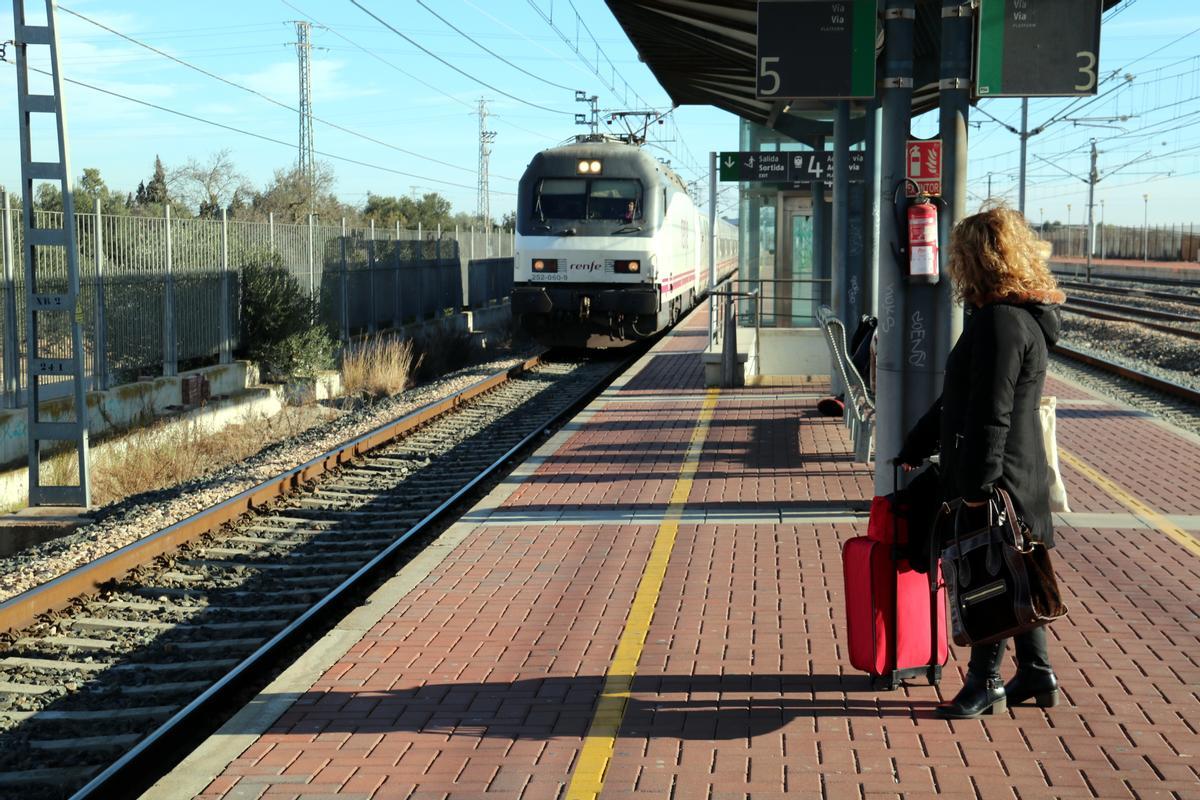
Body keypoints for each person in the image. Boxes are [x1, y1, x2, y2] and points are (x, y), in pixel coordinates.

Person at [895, 205, 1066, 719]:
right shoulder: (1014, 318)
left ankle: (984, 680)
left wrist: (978, 485)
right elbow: (958, 398)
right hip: (1016, 468)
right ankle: (1035, 673)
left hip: (999, 474)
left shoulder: (1000, 324)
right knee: (1018, 566)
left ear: (979, 260)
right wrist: (917, 441)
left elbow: (990, 410)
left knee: (988, 574)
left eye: (962, 257)